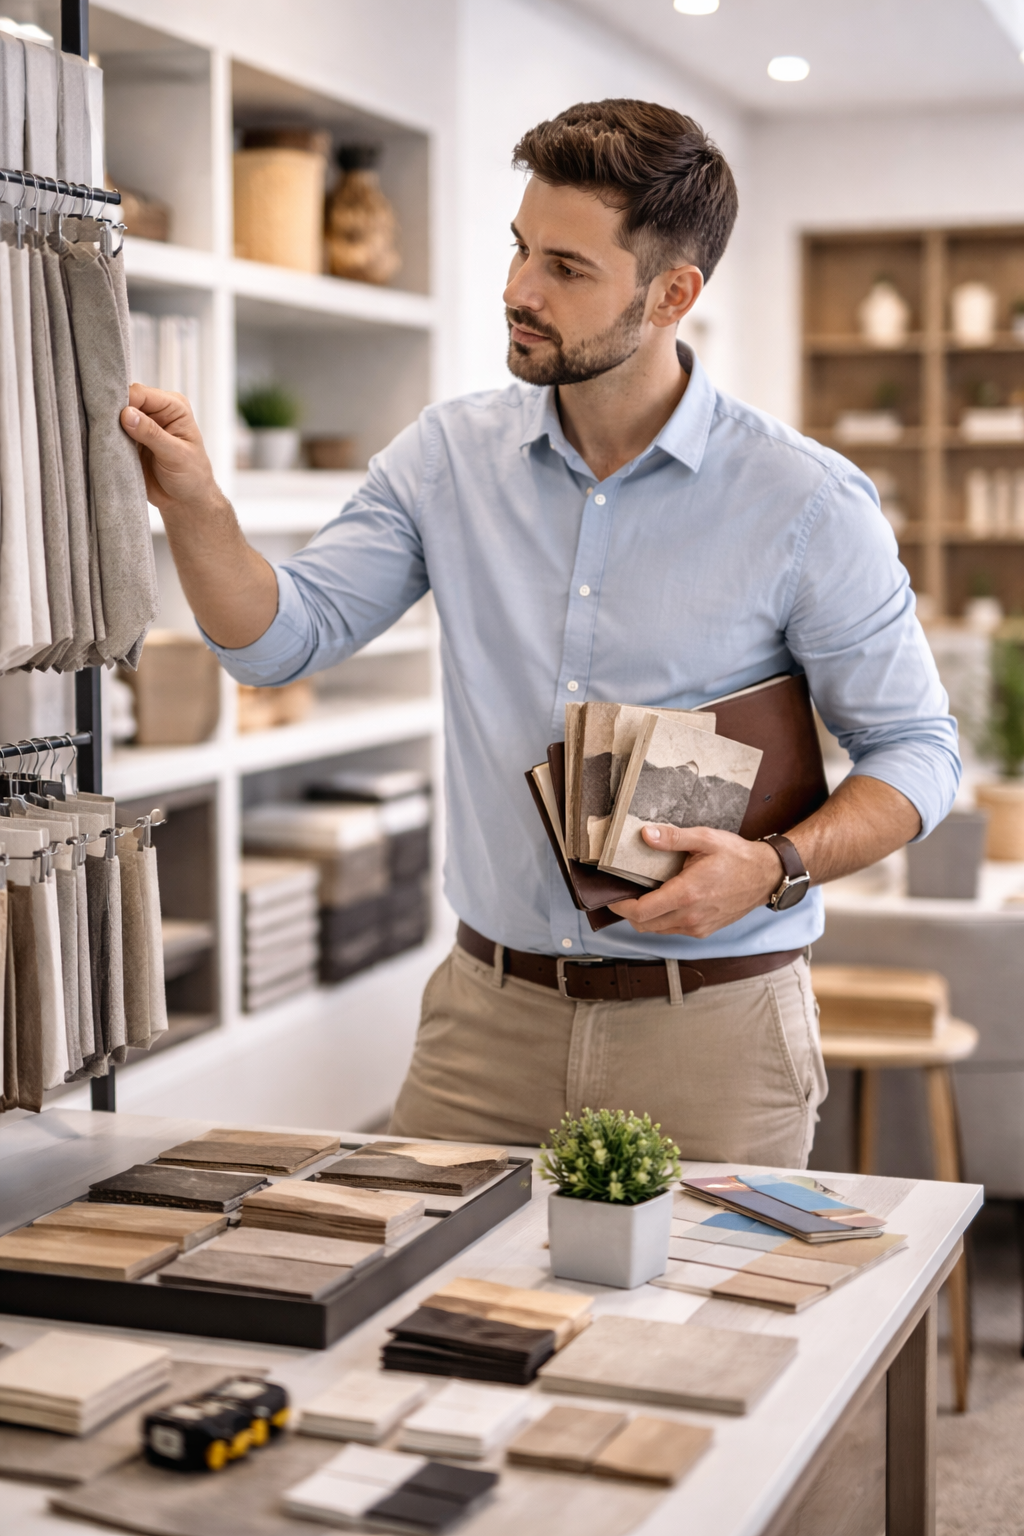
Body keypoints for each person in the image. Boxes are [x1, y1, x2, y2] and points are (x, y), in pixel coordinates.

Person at [120, 100, 960, 1167]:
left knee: (688, 1336)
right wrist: (194, 505)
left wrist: (773, 866)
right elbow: (282, 641)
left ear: (672, 294)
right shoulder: (445, 458)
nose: (518, 291)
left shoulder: (804, 502)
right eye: (521, 249)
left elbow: (919, 754)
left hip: (711, 1031)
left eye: (567, 268)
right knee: (425, 1328)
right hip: (485, 1023)